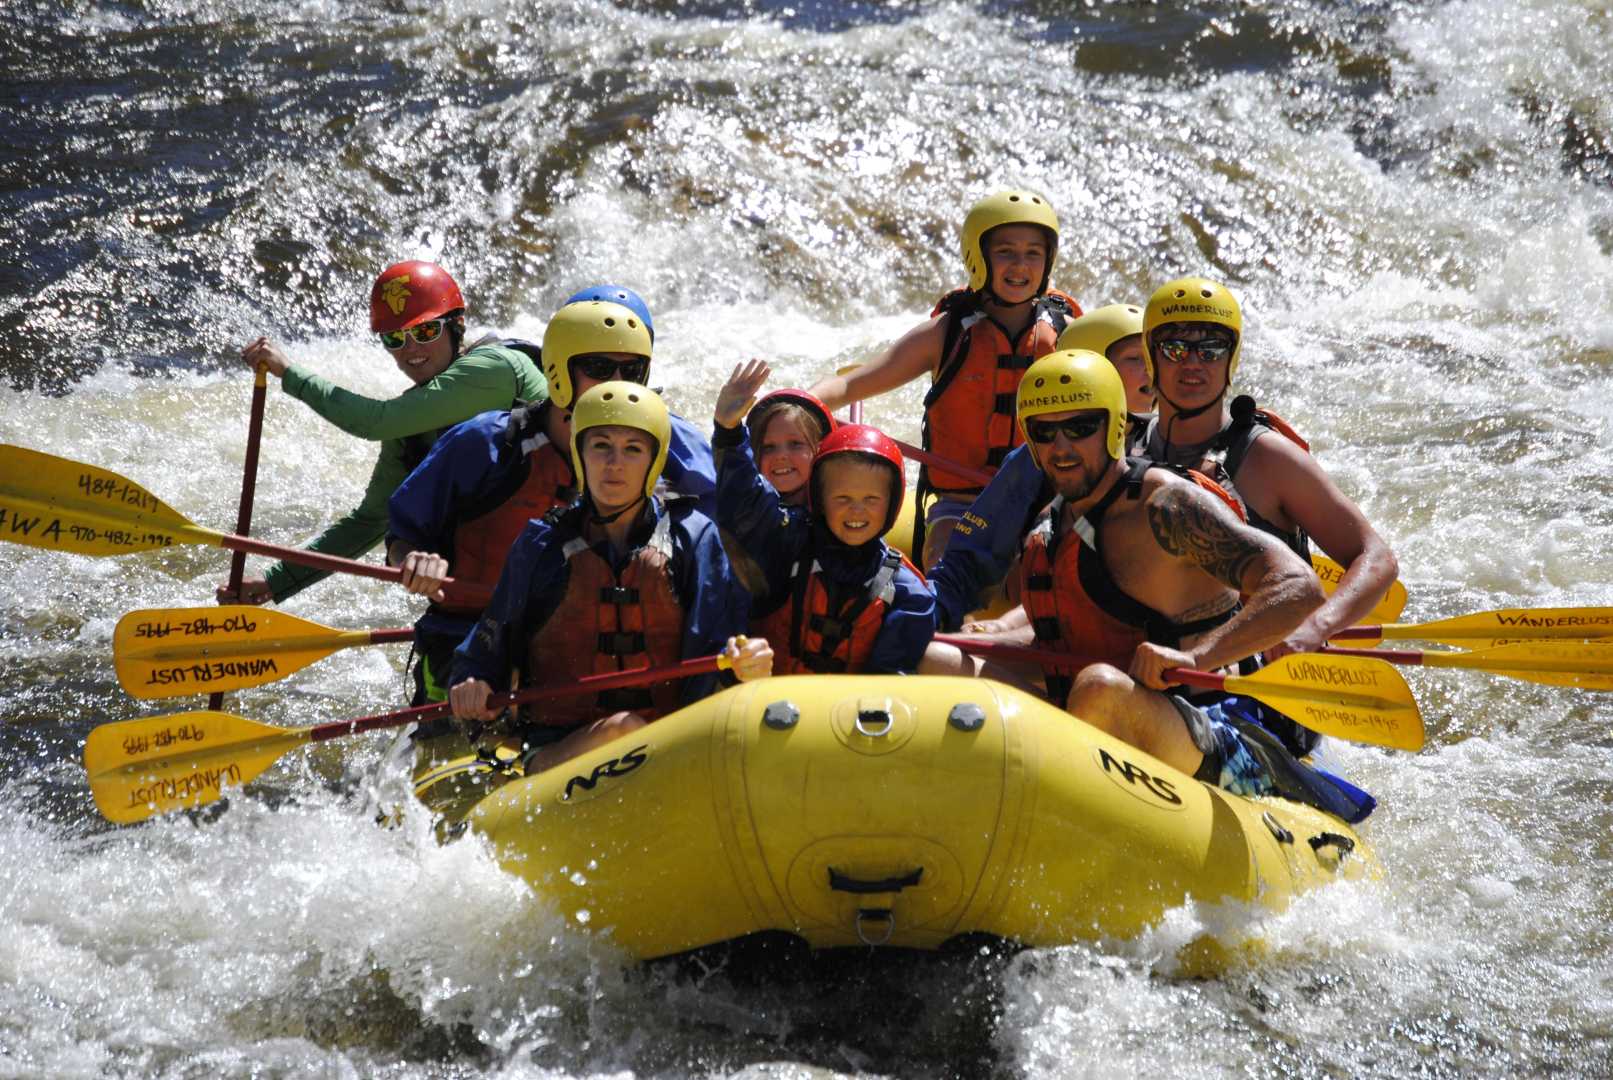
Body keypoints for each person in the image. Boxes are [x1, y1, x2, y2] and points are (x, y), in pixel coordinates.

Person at [923, 349, 1374, 822]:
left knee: (1100, 689)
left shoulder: (1165, 505)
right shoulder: (1053, 521)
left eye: (1080, 427)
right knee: (936, 657)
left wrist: (1195, 659)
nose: (1062, 446)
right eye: (1044, 431)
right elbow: (1077, 638)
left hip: (1210, 726)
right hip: (1093, 716)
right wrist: (991, 639)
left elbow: (1298, 586)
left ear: (1115, 426)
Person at [388, 297, 716, 708]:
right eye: (597, 368)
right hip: (471, 645)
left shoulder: (660, 442)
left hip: (581, 659)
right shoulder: (485, 444)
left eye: (630, 370)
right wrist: (414, 560)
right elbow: (400, 536)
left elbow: (728, 526)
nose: (618, 381)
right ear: (559, 370)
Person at [444, 382, 771, 775]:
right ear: (580, 455)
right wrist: (472, 683)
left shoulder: (693, 537)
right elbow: (484, 651)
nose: (614, 463)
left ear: (654, 460)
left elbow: (722, 642)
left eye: (632, 449)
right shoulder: (541, 544)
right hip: (559, 750)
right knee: (622, 730)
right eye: (601, 446)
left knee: (629, 730)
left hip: (672, 742)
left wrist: (748, 662)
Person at [1136, 276, 1399, 754]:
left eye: (1212, 348)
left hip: (1253, 691)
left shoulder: (1265, 458)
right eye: (1175, 348)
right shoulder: (1126, 449)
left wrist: (1314, 627)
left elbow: (1375, 557)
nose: (1194, 362)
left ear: (1230, 360)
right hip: (1153, 666)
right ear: (1151, 358)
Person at [219, 260, 546, 604]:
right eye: (395, 339)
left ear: (457, 326)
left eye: (425, 332)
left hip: (558, 554)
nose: (411, 350)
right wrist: (274, 582)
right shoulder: (411, 424)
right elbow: (371, 521)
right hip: (492, 575)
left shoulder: (493, 368)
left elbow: (374, 422)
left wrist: (288, 373)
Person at [806, 190, 1081, 570]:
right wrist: (802, 404)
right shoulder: (947, 333)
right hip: (963, 500)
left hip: (1045, 496)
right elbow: (855, 384)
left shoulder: (1069, 335)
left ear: (1048, 260)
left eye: (1033, 252)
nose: (1020, 265)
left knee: (1044, 561)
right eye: (1005, 251)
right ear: (978, 256)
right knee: (945, 554)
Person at [923, 300, 1156, 634]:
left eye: (1152, 357)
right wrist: (927, 614)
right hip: (1048, 621)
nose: (1152, 371)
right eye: (1135, 359)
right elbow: (971, 555)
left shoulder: (1170, 446)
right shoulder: (1035, 458)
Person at [712, 360, 936, 675]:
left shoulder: (908, 591)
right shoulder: (781, 537)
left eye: (869, 499)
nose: (856, 511)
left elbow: (890, 679)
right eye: (842, 498)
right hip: (768, 692)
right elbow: (743, 499)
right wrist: (728, 432)